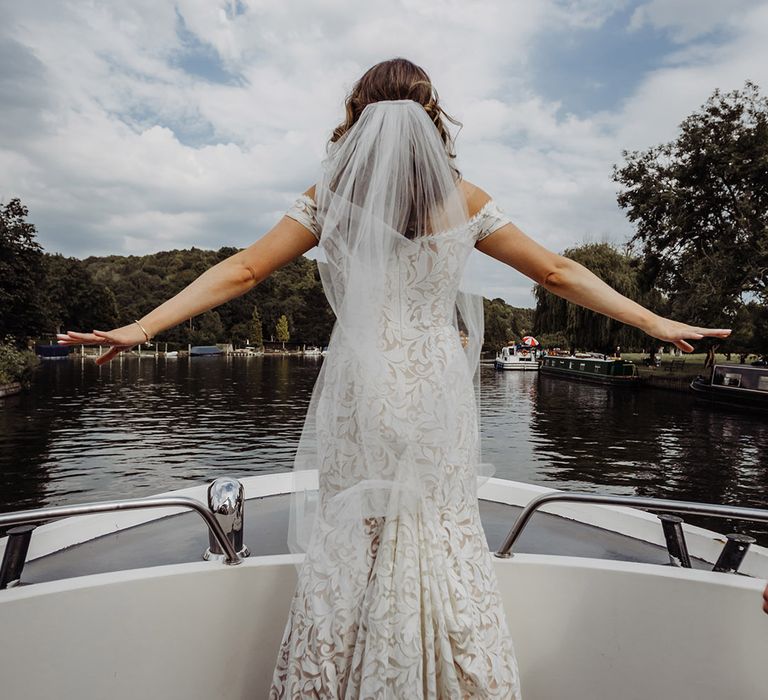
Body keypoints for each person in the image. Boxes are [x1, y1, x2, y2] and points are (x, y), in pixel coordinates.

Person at [57, 58, 731, 699]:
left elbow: (242, 271)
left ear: (356, 116)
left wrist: (143, 326)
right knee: (437, 525)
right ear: (432, 116)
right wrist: (652, 322)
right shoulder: (463, 199)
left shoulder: (332, 199)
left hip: (359, 386)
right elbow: (557, 273)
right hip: (436, 383)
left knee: (359, 530)